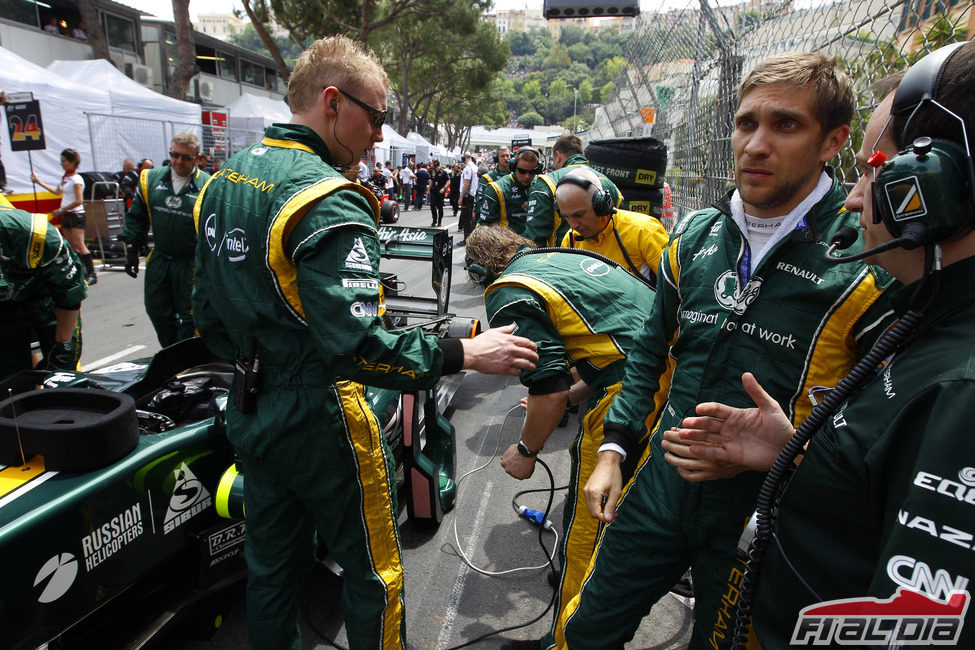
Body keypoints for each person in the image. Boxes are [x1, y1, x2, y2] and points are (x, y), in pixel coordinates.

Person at [190, 35, 538, 650]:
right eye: (376, 117)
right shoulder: (326, 197)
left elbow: (205, 316)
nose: (380, 135)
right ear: (333, 102)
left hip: (249, 404)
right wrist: (464, 353)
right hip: (322, 415)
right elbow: (356, 348)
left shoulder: (220, 184)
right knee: (375, 573)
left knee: (270, 569)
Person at [558, 52, 896, 650]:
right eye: (746, 123)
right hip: (661, 486)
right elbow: (648, 352)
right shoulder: (693, 236)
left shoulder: (867, 259)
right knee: (582, 632)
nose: (756, 145)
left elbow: (882, 429)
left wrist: (791, 450)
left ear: (833, 141)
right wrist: (614, 449)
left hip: (765, 513)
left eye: (785, 125)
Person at [664, 41, 975, 649]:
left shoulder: (959, 387)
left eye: (870, 170)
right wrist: (800, 452)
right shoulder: (934, 321)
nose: (855, 197)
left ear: (937, 182)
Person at [467, 221, 664, 649]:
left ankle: (565, 642)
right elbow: (610, 345)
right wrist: (573, 393)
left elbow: (549, 389)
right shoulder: (566, 259)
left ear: (479, 272)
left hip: (633, 396)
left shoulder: (508, 287)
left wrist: (525, 450)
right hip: (667, 383)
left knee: (586, 528)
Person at [120, 132, 209, 348]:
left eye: (185, 157)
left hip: (191, 263)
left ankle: (185, 361)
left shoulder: (208, 185)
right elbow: (136, 216)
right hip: (159, 258)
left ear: (196, 158)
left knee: (190, 316)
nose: (179, 161)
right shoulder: (150, 179)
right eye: (174, 155)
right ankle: (170, 354)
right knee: (157, 309)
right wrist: (132, 248)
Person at [0, 202, 86, 380]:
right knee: (9, 377)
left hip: (46, 295)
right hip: (6, 304)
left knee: (61, 373)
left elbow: (70, 292)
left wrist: (63, 345)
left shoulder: (35, 235)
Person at [556, 166, 669, 285]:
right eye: (566, 217)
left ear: (600, 204)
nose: (573, 225)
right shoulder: (570, 240)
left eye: (579, 215)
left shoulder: (644, 231)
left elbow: (675, 283)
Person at [524, 135, 621, 248]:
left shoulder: (547, 183)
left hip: (561, 262)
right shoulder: (611, 186)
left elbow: (534, 240)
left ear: (557, 156)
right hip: (606, 261)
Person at [31, 148, 95, 285]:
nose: (62, 164)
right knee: (71, 245)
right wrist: (38, 181)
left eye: (64, 161)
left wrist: (60, 210)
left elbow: (79, 200)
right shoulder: (66, 177)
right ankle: (80, 272)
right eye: (61, 161)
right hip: (66, 215)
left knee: (79, 244)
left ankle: (91, 273)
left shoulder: (77, 179)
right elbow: (56, 191)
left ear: (72, 162)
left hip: (76, 214)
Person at [477, 146, 542, 236]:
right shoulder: (497, 189)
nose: (527, 176)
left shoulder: (542, 186)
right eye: (522, 171)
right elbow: (484, 227)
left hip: (536, 246)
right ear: (514, 167)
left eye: (532, 171)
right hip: (509, 245)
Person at [458, 151, 478, 242]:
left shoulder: (468, 168)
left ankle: (467, 239)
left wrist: (461, 197)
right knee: (471, 218)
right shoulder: (475, 167)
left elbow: (466, 183)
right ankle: (471, 238)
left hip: (468, 196)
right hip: (474, 195)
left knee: (467, 218)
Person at [429, 159, 449, 227]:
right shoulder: (432, 171)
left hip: (440, 191)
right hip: (433, 191)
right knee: (432, 205)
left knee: (440, 206)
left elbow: (448, 181)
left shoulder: (443, 172)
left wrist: (444, 188)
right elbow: (431, 181)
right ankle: (434, 219)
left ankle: (439, 220)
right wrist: (428, 189)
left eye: (432, 164)